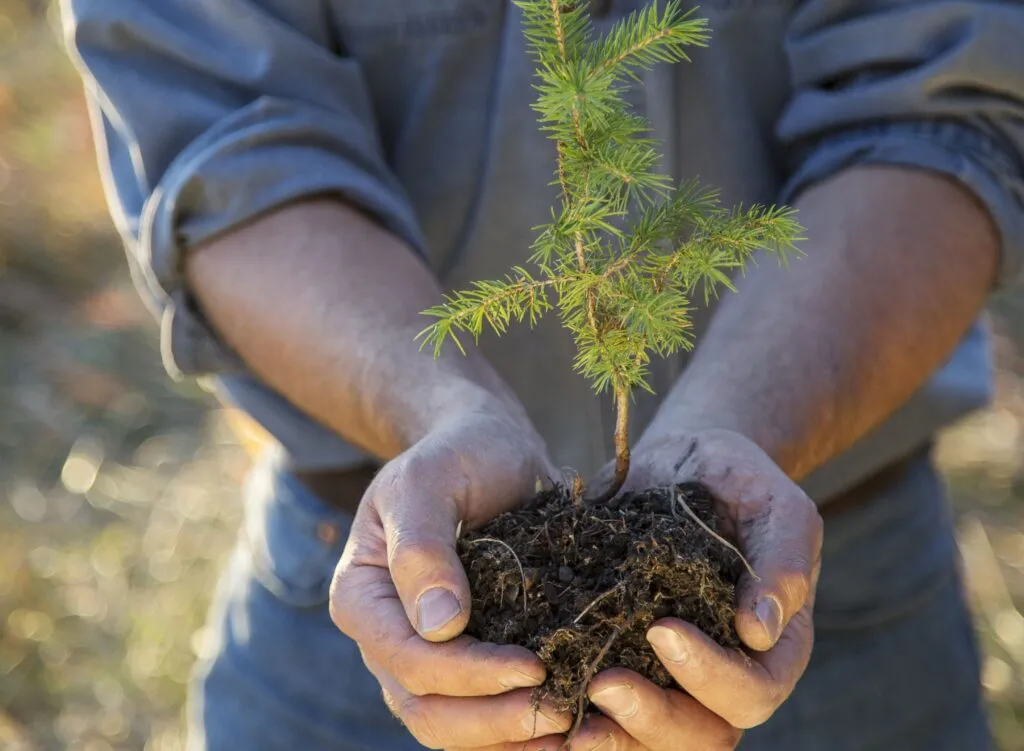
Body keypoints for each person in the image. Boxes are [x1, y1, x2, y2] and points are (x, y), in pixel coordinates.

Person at [62, 0, 1024, 748]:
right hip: (385, 582)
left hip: (817, 576)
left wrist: (738, 429)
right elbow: (219, 138)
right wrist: (441, 408)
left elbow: (938, 113)